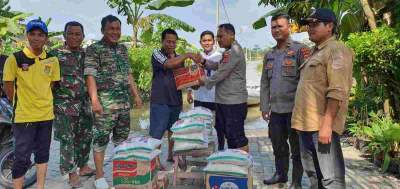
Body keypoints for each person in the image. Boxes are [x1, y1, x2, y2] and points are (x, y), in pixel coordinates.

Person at [292, 8, 353, 188]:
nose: (310, 28)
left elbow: (337, 91)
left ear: (329, 26)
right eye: (309, 24)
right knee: (314, 176)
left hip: (322, 128)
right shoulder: (316, 51)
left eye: (315, 24)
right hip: (306, 125)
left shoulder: (337, 50)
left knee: (331, 179)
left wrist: (327, 126)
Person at [84, 15, 143, 189]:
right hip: (105, 105)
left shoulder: (123, 49)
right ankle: (100, 176)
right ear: (103, 30)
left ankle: (121, 174)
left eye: (117, 29)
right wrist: (95, 100)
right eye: (111, 29)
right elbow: (90, 75)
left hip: (123, 104)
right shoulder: (94, 49)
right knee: (100, 140)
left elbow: (128, 73)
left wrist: (136, 95)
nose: (115, 32)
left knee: (122, 141)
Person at [3, 19, 60, 189]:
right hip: (23, 117)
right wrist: (21, 103)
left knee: (42, 154)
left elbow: (51, 85)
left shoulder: (52, 60)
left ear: (45, 38)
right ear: (27, 36)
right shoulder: (15, 59)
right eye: (32, 34)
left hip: (46, 115)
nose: (36, 38)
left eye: (40, 35)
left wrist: (39, 99)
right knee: (21, 158)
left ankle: (40, 186)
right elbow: (8, 86)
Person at [260, 14, 309, 188]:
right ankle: (281, 175)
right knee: (278, 146)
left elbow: (307, 81)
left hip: (295, 110)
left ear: (289, 27)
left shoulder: (300, 50)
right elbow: (264, 82)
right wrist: (264, 106)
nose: (276, 30)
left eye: (280, 26)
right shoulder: (269, 54)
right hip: (276, 111)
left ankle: (296, 182)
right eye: (273, 27)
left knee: (297, 150)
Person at [50, 21, 94, 188]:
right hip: (64, 106)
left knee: (85, 136)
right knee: (67, 140)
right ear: (64, 35)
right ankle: (71, 173)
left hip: (84, 104)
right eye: (71, 33)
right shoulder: (54, 55)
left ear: (83, 36)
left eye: (78, 34)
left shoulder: (86, 55)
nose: (74, 37)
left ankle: (83, 166)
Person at [149, 28, 199, 167]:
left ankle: (171, 155)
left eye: (174, 42)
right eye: (168, 41)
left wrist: (196, 82)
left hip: (176, 100)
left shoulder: (179, 58)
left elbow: (184, 79)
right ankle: (156, 161)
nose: (171, 44)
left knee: (173, 131)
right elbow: (168, 64)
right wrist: (188, 54)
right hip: (160, 100)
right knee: (157, 133)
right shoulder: (157, 54)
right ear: (162, 41)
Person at [198, 23, 249, 152]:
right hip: (224, 101)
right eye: (218, 36)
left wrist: (205, 81)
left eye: (221, 36)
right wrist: (203, 62)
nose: (218, 39)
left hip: (233, 103)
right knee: (230, 136)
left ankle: (243, 167)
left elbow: (221, 73)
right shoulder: (227, 52)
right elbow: (217, 66)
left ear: (232, 35)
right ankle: (235, 164)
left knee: (237, 137)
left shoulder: (234, 51)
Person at [187, 30, 224, 150]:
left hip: (216, 96)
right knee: (200, 124)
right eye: (204, 40)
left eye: (209, 40)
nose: (207, 43)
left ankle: (220, 149)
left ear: (214, 41)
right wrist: (189, 91)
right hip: (200, 96)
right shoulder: (197, 57)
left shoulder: (220, 56)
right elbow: (192, 74)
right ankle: (202, 149)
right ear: (200, 42)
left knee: (219, 125)